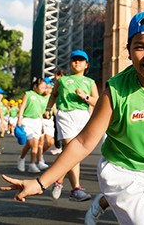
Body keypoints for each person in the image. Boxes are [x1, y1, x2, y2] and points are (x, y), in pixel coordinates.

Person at [1, 10, 144, 225]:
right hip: (124, 174)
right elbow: (82, 142)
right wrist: (42, 182)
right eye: (140, 47)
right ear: (128, 51)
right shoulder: (116, 92)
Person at [44, 49, 98, 201]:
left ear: (86, 65)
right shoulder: (62, 81)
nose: (77, 62)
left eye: (81, 60)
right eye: (74, 60)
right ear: (70, 63)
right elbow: (53, 95)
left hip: (83, 116)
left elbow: (97, 101)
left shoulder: (90, 82)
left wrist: (85, 96)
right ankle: (76, 188)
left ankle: (59, 180)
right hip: (65, 115)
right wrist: (48, 109)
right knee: (71, 148)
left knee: (74, 153)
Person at [17, 78, 48, 173]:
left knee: (34, 144)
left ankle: (31, 164)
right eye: (42, 87)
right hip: (27, 121)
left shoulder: (42, 98)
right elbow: (22, 106)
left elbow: (40, 113)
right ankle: (22, 159)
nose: (44, 89)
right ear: (35, 86)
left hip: (37, 121)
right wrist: (19, 118)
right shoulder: (28, 94)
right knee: (31, 143)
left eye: (45, 87)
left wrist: (42, 124)